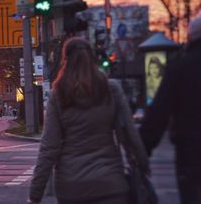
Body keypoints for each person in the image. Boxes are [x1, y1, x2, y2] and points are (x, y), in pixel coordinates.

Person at [28, 37, 149, 204]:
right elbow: (130, 134)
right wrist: (143, 166)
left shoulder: (59, 94)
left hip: (72, 187)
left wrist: (35, 194)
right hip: (110, 183)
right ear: (93, 59)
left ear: (66, 61)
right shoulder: (110, 89)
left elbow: (49, 147)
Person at [139, 15, 201, 204]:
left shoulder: (180, 69)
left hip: (192, 153)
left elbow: (158, 115)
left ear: (190, 38)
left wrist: (143, 150)